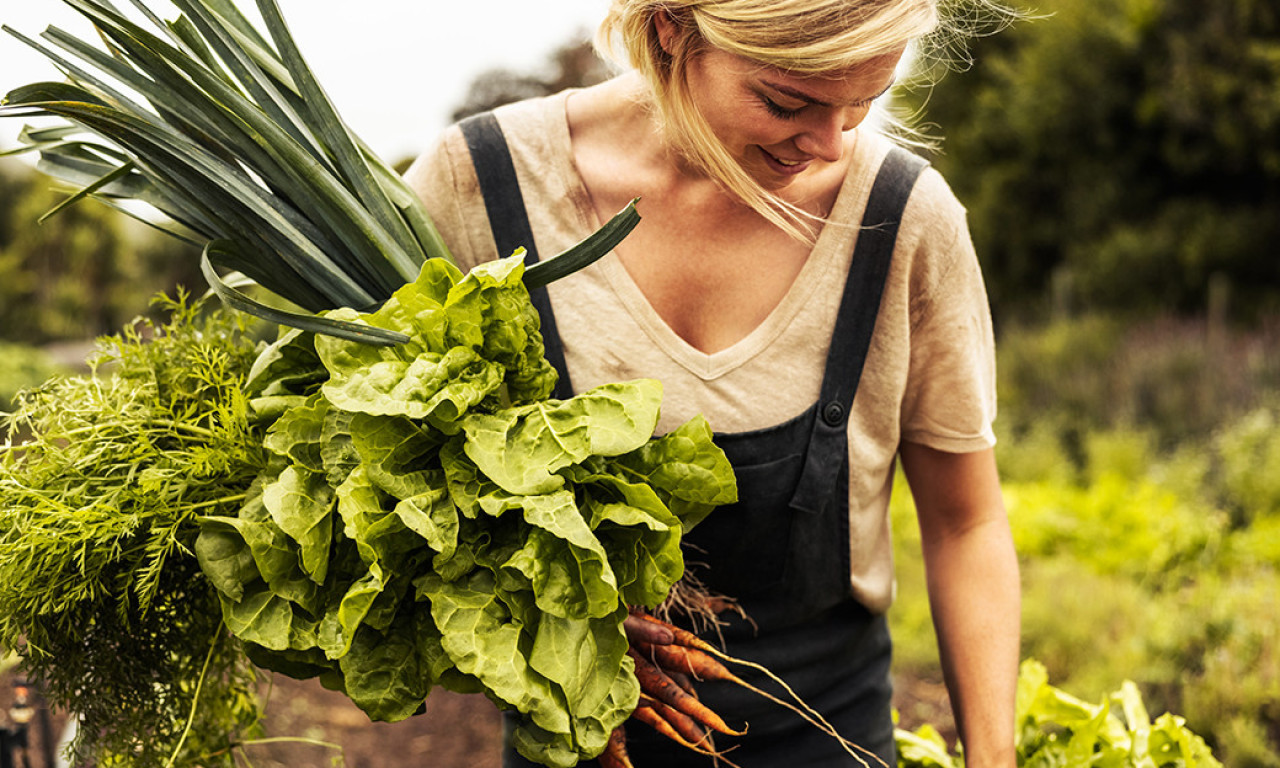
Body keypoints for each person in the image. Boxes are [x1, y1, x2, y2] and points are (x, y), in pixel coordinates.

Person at [404, 1, 1021, 766]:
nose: (832, 145)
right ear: (670, 25)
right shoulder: (482, 189)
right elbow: (395, 489)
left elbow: (965, 524)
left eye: (863, 101)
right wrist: (543, 618)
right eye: (787, 102)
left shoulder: (904, 220)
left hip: (827, 739)